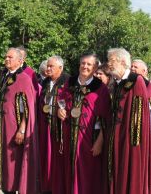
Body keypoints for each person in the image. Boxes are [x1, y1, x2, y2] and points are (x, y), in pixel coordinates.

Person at [54, 53, 110, 194]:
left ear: (95, 67)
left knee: (88, 175)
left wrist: (99, 142)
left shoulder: (100, 88)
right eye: (83, 63)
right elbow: (60, 102)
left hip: (89, 139)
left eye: (89, 64)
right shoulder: (70, 82)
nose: (85, 66)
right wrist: (59, 111)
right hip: (69, 138)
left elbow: (105, 119)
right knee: (68, 172)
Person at [106, 48, 151, 194]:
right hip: (116, 135)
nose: (109, 64)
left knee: (128, 173)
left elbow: (138, 117)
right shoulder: (118, 82)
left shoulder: (136, 81)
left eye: (112, 60)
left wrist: (132, 145)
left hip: (130, 139)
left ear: (123, 62)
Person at [0, 48, 39, 194]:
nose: (6, 59)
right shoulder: (5, 75)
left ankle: (12, 189)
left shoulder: (23, 78)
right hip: (2, 124)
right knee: (3, 160)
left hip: (14, 126)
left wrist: (22, 129)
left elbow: (27, 108)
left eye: (10, 57)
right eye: (6, 56)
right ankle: (6, 188)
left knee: (13, 162)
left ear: (20, 61)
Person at [37, 56, 69, 193]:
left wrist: (64, 110)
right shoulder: (45, 82)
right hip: (46, 125)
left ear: (60, 68)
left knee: (58, 159)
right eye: (47, 66)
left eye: (51, 66)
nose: (47, 68)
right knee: (46, 157)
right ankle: (46, 187)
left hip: (60, 127)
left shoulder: (68, 82)